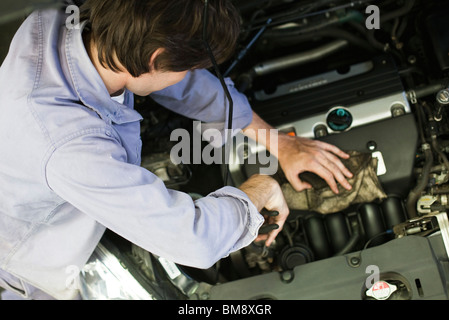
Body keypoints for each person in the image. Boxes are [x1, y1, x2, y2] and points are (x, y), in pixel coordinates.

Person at [0, 0, 352, 300]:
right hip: (21, 272)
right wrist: (256, 192)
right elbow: (192, 239)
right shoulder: (67, 143)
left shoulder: (76, 28)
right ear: (156, 59)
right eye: (186, 67)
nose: (187, 76)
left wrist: (277, 141)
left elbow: (173, 80)